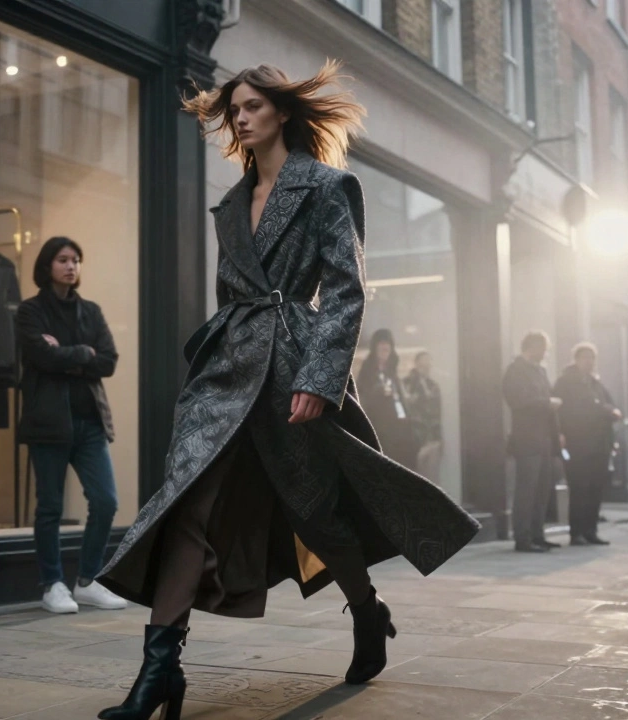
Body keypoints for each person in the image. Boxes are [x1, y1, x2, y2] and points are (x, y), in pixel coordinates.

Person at [93, 63, 478, 720]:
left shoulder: (328, 187)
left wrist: (319, 380)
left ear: (282, 113)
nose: (240, 118)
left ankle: (366, 611)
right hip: (223, 376)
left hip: (293, 367)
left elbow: (346, 290)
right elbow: (228, 296)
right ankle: (160, 669)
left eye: (251, 106)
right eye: (233, 109)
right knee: (186, 502)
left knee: (314, 514)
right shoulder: (228, 206)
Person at [17, 236, 128, 614]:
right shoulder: (30, 311)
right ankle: (52, 584)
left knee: (105, 501)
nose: (71, 266)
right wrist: (83, 354)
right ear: (48, 265)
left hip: (89, 423)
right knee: (49, 506)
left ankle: (88, 580)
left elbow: (108, 361)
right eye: (63, 259)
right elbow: (39, 355)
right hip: (47, 424)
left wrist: (64, 354)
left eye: (76, 260)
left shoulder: (91, 312)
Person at [554, 343, 621, 546]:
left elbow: (611, 407)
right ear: (576, 359)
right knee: (579, 488)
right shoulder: (565, 382)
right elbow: (566, 410)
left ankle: (591, 530)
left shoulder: (596, 384)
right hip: (578, 443)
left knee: (595, 488)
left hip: (600, 444)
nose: (589, 362)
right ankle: (576, 533)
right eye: (585, 357)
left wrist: (609, 411)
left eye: (592, 358)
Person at [502, 331, 563, 553]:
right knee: (526, 490)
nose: (545, 353)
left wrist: (557, 436)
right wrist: (547, 402)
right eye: (543, 348)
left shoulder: (540, 371)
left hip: (545, 438)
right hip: (527, 439)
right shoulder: (515, 371)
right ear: (532, 347)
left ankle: (538, 535)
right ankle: (523, 538)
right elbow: (518, 401)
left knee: (542, 489)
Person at [355, 329, 416, 466]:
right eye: (381, 348)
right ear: (375, 349)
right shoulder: (367, 373)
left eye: (387, 349)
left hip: (401, 429)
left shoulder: (392, 371)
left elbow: (401, 398)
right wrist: (378, 391)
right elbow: (362, 398)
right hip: (382, 431)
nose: (385, 352)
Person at [403, 350, 443, 481]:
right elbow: (404, 407)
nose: (427, 366)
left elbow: (436, 412)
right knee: (414, 479)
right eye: (423, 363)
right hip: (413, 438)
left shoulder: (433, 386)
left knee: (431, 479)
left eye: (428, 363)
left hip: (431, 439)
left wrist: (438, 438)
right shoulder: (407, 384)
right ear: (416, 364)